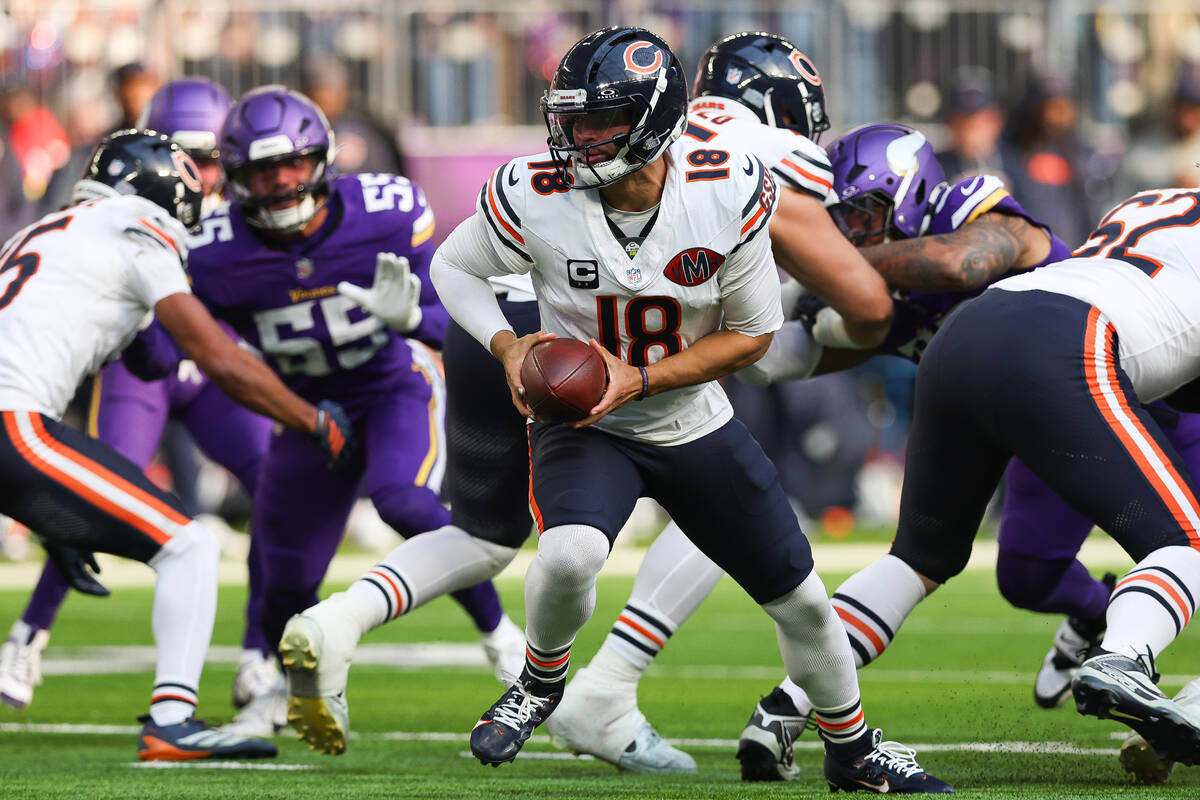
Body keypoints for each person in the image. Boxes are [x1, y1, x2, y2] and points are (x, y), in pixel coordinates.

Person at [274, 30, 913, 784]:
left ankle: (853, 748)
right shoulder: (536, 189)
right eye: (569, 120)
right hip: (577, 406)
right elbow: (455, 263)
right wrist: (510, 348)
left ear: (656, 117)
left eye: (596, 123)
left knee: (800, 597)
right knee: (567, 550)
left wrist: (641, 378)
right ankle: (544, 683)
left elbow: (751, 334)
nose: (575, 138)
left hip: (682, 409)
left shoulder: (729, 184)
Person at [552, 119, 1071, 781]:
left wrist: (822, 260)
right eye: (836, 222)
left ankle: (1124, 646)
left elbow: (955, 263)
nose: (846, 234)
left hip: (1094, 380)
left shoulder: (964, 205)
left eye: (858, 216)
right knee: (1008, 569)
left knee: (1147, 539)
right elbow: (772, 361)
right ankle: (799, 710)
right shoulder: (879, 300)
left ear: (908, 197)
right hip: (1003, 418)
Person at [818, 183, 1200, 766]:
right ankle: (1123, 657)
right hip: (1068, 344)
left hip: (969, 331)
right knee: (1186, 542)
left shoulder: (1155, 202)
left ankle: (787, 705)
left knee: (918, 559)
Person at [0, 129, 353, 760]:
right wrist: (309, 419)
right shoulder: (138, 227)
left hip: (21, 425)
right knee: (187, 546)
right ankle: (173, 720)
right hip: (13, 423)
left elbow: (148, 360)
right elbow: (211, 356)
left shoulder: (49, 232)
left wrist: (55, 517)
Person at [178, 85, 524, 722]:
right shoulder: (213, 251)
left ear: (324, 160)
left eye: (291, 165)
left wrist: (415, 316)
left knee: (405, 500)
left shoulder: (385, 211)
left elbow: (459, 325)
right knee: (285, 570)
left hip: (392, 384)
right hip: (303, 408)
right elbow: (191, 340)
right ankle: (286, 684)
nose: (281, 184)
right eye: (261, 171)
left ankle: (503, 639)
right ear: (233, 178)